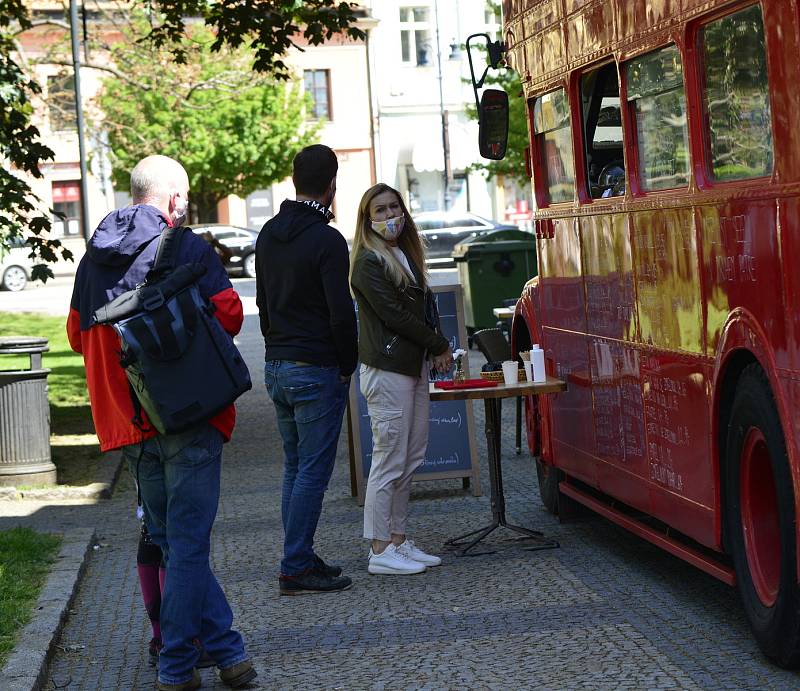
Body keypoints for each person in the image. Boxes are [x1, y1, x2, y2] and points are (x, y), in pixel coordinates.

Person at [67, 155, 256, 691]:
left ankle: (229, 653)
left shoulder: (93, 258)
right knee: (188, 544)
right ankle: (176, 666)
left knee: (174, 541)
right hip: (189, 413)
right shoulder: (186, 246)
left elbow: (77, 335)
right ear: (173, 198)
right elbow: (230, 313)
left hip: (131, 419)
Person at [255, 144, 358, 595]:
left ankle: (299, 551)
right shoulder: (327, 240)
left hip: (278, 363)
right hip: (315, 365)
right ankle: (295, 563)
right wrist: (347, 362)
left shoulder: (267, 233)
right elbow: (341, 313)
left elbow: (262, 302)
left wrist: (274, 346)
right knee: (312, 471)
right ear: (332, 185)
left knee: (295, 467)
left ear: (294, 180)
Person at [349, 183, 453, 575]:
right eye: (380, 210)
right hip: (387, 368)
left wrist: (434, 349)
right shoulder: (368, 261)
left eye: (394, 207)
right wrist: (439, 343)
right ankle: (379, 550)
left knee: (410, 458)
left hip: (410, 366)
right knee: (389, 459)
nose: (390, 215)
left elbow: (421, 308)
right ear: (367, 218)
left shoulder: (403, 253)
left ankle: (397, 539)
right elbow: (394, 315)